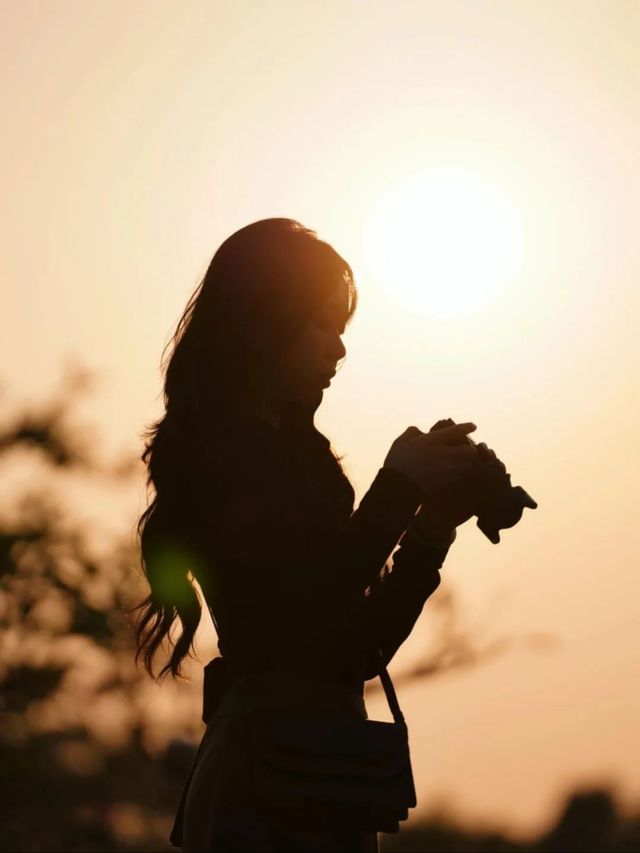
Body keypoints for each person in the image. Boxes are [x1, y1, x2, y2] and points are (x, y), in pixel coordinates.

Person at [134, 218, 480, 852]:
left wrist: (430, 530)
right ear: (264, 326)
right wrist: (399, 489)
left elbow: (355, 651)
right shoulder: (222, 456)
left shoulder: (303, 462)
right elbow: (296, 620)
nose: (338, 351)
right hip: (265, 788)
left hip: (321, 777)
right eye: (322, 325)